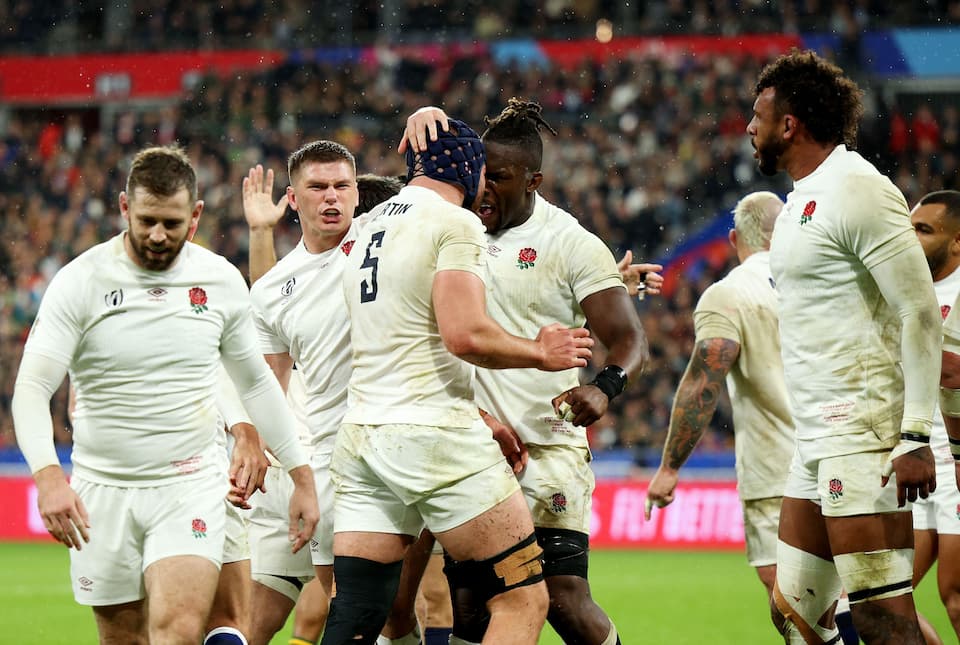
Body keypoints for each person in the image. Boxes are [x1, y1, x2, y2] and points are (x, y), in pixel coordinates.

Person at [11, 145, 319, 644]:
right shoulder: (80, 283)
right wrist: (48, 476)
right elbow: (32, 387)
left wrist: (301, 475)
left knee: (177, 630)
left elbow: (256, 382)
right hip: (102, 490)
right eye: (147, 220)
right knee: (124, 637)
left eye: (172, 223)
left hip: (188, 484)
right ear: (124, 209)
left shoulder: (217, 280)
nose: (158, 235)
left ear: (195, 215)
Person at [324, 116, 594, 645]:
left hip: (362, 435)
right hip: (433, 436)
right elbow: (464, 335)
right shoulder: (456, 224)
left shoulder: (368, 223)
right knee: (523, 599)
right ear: (469, 172)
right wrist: (541, 352)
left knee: (357, 610)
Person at [399, 99, 648, 645]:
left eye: (502, 178)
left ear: (534, 180)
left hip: (548, 449)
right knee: (468, 608)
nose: (485, 188)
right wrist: (425, 112)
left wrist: (605, 388)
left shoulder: (572, 243)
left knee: (562, 600)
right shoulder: (454, 231)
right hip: (473, 452)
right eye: (482, 174)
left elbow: (630, 338)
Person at [747, 51, 940, 644]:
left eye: (759, 115)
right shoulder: (799, 202)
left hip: (863, 431)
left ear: (790, 124)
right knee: (795, 611)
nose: (749, 127)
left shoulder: (857, 189)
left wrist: (914, 435)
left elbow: (920, 310)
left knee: (883, 618)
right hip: (815, 433)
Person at [645, 190, 792, 601]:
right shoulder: (822, 285)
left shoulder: (729, 294)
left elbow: (701, 385)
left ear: (733, 239)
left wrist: (670, 467)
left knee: (794, 602)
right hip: (840, 458)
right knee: (873, 600)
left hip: (777, 469)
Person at [911, 190, 960, 644]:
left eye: (923, 230)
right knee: (879, 597)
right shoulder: (906, 291)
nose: (912, 239)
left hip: (955, 463)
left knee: (955, 596)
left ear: (957, 241)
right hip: (914, 460)